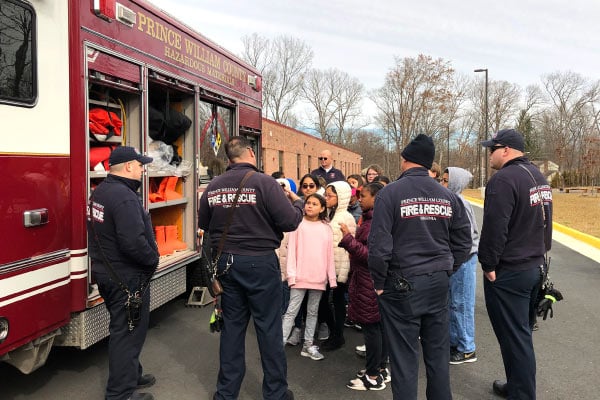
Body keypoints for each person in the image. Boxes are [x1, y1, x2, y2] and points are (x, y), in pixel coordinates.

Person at [198, 136, 303, 400]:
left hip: (226, 264)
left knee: (232, 330)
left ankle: (225, 394)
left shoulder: (214, 185)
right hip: (259, 262)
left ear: (229, 158)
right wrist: (299, 202)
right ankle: (276, 393)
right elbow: (290, 221)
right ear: (251, 153)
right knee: (268, 328)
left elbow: (206, 225)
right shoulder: (264, 183)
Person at [368, 134, 472, 400]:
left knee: (404, 359)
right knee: (437, 355)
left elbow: (379, 247)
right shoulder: (447, 196)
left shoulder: (389, 194)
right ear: (428, 164)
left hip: (401, 283)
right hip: (437, 283)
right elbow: (464, 241)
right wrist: (448, 268)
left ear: (404, 159)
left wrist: (378, 283)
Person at [479, 129, 553, 399]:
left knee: (515, 338)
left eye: (492, 149)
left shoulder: (504, 180)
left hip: (511, 271)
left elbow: (494, 229)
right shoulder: (539, 177)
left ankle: (522, 394)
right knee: (520, 335)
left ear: (506, 150)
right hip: (534, 266)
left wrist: (488, 265)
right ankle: (517, 385)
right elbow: (547, 225)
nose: (489, 155)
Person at [87, 146, 158, 400]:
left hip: (108, 275)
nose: (142, 169)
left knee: (126, 329)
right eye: (140, 165)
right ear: (128, 167)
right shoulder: (125, 198)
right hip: (127, 278)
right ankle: (120, 394)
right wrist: (153, 260)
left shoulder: (101, 192)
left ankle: (131, 374)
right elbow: (133, 243)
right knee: (127, 334)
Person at [340, 182, 390, 391]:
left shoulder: (374, 223)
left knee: (372, 330)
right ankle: (380, 368)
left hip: (369, 282)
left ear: (376, 198)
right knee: (378, 328)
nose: (360, 198)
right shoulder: (373, 219)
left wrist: (348, 238)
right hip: (369, 281)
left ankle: (372, 376)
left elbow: (371, 256)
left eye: (364, 195)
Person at [282, 193, 337, 361]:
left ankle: (308, 345)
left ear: (322, 208)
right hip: (299, 277)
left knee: (313, 312)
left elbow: (329, 255)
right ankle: (279, 344)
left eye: (314, 203)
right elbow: (291, 252)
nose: (310, 206)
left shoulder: (326, 228)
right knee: (291, 311)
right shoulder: (298, 225)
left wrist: (331, 278)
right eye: (308, 203)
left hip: (319, 278)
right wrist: (291, 275)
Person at [441, 167, 480, 365]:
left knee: (462, 304)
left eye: (447, 181)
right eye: (443, 179)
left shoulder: (460, 203)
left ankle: (467, 348)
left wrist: (458, 259)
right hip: (456, 259)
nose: (442, 183)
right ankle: (455, 342)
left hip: (464, 259)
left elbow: (467, 236)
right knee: (454, 303)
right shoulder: (450, 200)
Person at [319, 181, 356, 351]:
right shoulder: (328, 214)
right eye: (325, 195)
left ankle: (338, 335)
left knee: (338, 301)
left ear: (341, 197)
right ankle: (334, 330)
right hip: (325, 266)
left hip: (339, 268)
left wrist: (343, 272)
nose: (326, 198)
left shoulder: (346, 218)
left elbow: (348, 247)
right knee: (322, 301)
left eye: (330, 195)